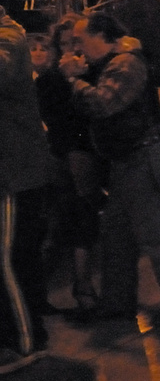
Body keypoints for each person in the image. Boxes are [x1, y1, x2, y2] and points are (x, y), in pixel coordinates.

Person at [60, 12, 160, 326]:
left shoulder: (125, 64)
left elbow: (103, 103)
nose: (77, 48)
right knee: (117, 234)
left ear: (101, 36)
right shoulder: (113, 62)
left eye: (80, 40)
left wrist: (75, 80)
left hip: (143, 156)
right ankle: (117, 301)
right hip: (128, 159)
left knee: (156, 231)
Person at [32, 20, 99, 314]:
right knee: (62, 224)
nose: (71, 49)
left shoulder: (95, 70)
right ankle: (39, 296)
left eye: (76, 42)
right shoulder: (48, 79)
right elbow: (53, 116)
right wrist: (65, 79)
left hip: (86, 153)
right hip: (65, 155)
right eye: (64, 43)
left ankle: (80, 287)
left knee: (79, 222)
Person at [0, 6, 54, 353]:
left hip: (13, 173)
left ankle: (26, 339)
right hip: (12, 169)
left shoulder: (9, 39)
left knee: (8, 258)